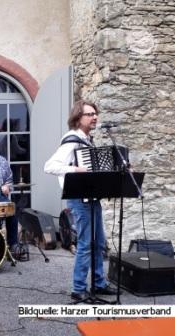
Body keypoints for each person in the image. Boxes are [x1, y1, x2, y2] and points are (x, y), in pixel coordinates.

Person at [44, 99, 116, 301]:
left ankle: (99, 284)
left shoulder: (87, 139)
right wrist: (76, 169)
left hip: (92, 197)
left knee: (99, 242)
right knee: (85, 243)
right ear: (78, 117)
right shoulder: (72, 140)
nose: (94, 117)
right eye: (89, 114)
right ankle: (78, 288)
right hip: (78, 199)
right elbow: (49, 166)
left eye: (95, 114)